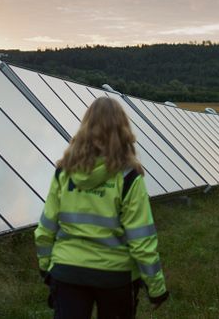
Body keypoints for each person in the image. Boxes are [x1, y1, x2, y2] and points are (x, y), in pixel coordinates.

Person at [34, 97, 169, 319]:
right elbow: (141, 241)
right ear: (123, 130)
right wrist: (156, 288)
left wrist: (46, 266)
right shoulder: (129, 177)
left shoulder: (64, 172)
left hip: (67, 271)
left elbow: (46, 228)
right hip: (115, 277)